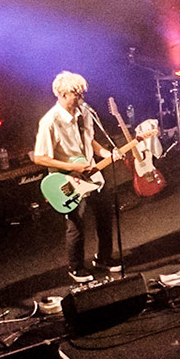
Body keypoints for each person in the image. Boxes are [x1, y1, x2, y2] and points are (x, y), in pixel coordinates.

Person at [32, 70, 120, 282]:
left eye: (82, 94)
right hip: (68, 179)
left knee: (105, 217)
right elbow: (40, 157)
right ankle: (76, 266)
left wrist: (106, 153)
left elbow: (89, 140)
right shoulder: (50, 121)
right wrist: (71, 167)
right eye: (76, 94)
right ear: (62, 94)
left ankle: (103, 258)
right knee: (77, 225)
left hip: (93, 176)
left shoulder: (85, 113)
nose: (81, 98)